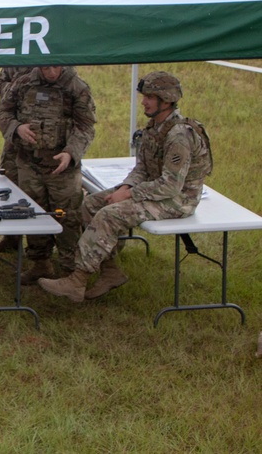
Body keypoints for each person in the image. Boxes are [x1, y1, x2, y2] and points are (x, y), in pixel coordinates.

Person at [40, 71, 212, 302]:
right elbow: (142, 168)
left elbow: (171, 186)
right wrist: (125, 187)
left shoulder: (179, 136)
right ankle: (110, 271)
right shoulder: (154, 129)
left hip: (178, 199)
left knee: (110, 214)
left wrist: (130, 193)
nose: (144, 101)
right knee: (90, 204)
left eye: (150, 97)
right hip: (154, 190)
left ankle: (78, 280)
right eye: (144, 96)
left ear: (167, 100)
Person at [0, 66, 96, 284]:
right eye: (46, 67)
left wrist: (71, 153)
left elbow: (86, 126)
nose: (51, 72)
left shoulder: (76, 88)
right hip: (28, 163)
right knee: (34, 213)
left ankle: (71, 269)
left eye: (55, 67)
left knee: (65, 215)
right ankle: (41, 262)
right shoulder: (22, 84)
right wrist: (17, 128)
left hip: (62, 168)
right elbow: (3, 112)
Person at [0, 66, 35, 253]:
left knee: (37, 193)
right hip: (15, 136)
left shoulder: (55, 62)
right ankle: (12, 238)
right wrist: (18, 87)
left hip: (44, 141)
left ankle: (40, 250)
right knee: (9, 185)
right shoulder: (16, 60)